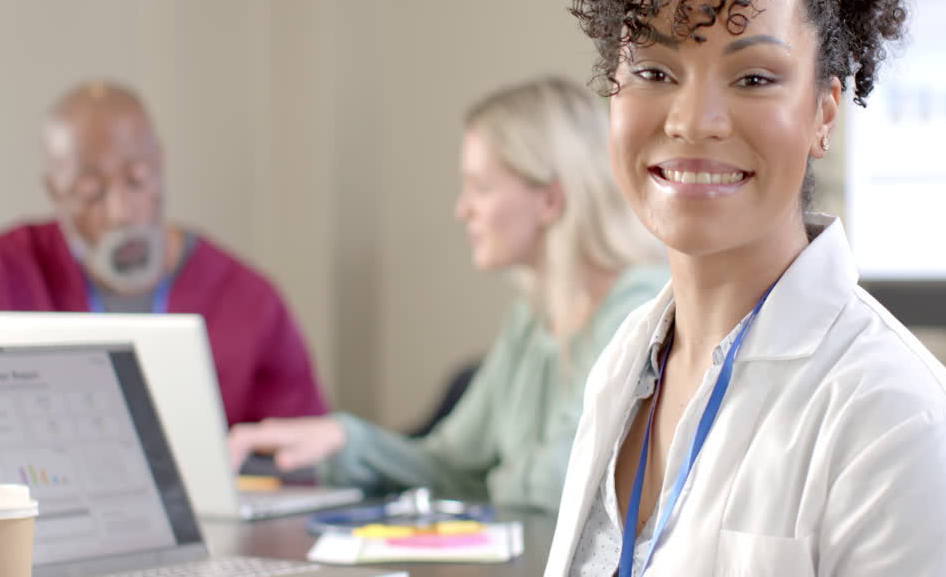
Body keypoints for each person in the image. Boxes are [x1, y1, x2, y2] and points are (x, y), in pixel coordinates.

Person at [544, 0, 946, 575]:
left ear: (824, 110)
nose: (693, 122)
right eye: (654, 71)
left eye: (755, 78)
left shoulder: (896, 421)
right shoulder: (626, 365)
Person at [227, 76, 667, 512]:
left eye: (481, 187)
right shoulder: (531, 321)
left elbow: (566, 480)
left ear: (550, 201)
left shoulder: (638, 306)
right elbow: (449, 467)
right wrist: (343, 439)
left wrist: (489, 480)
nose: (463, 209)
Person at [0, 81, 328, 427]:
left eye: (136, 178)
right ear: (55, 193)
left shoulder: (248, 299)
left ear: (161, 165)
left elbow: (300, 458)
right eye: (89, 190)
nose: (120, 211)